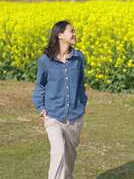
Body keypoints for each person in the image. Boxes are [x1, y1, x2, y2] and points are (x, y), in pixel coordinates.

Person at [32, 20, 88, 179]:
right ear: (60, 35)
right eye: (72, 31)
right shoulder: (45, 60)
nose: (75, 34)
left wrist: (82, 104)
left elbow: (81, 84)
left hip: (75, 116)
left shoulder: (78, 58)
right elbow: (40, 85)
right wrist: (40, 107)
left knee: (69, 160)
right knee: (58, 152)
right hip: (53, 115)